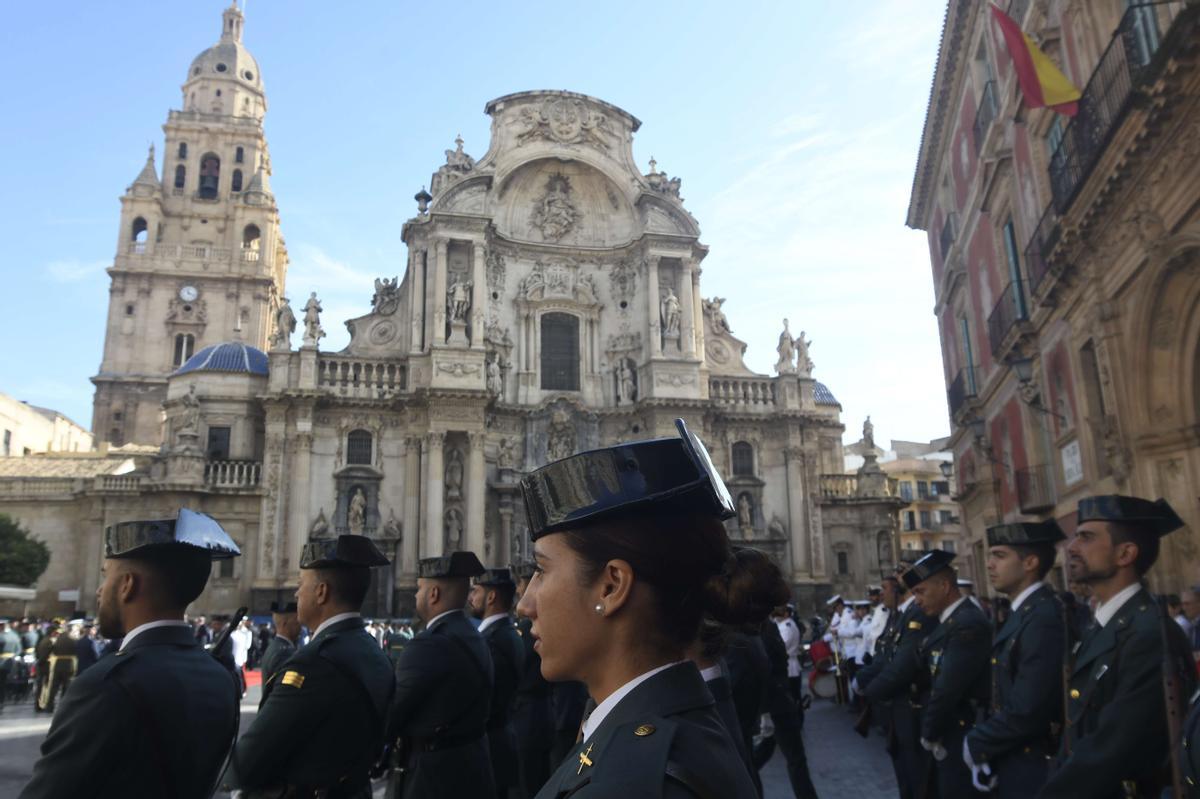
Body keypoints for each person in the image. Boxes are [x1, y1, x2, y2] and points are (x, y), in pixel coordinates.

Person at [518, 418, 761, 797]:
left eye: (541, 570)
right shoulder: (663, 735)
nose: (525, 604)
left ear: (611, 586)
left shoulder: (631, 782)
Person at [19, 509, 242, 799]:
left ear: (127, 585)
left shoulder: (106, 685)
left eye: (106, 576)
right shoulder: (220, 678)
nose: (100, 591)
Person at [1042, 495, 1195, 798]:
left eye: (1086, 538)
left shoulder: (1149, 634)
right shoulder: (1105, 625)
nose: (1071, 547)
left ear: (1125, 553)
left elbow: (1113, 748)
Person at [228, 535, 394, 797]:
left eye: (300, 584)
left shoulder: (311, 663)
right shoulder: (378, 655)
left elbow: (245, 765)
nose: (296, 593)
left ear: (321, 592)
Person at [964, 520, 1067, 797]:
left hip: (1034, 763)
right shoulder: (1024, 613)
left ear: (1030, 562)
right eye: (989, 556)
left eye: (999, 556)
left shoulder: (1042, 617)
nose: (989, 565)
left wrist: (977, 742)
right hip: (1014, 756)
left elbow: (1029, 707)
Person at [384, 551, 495, 799]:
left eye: (419, 588)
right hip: (472, 765)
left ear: (433, 594)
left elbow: (392, 713)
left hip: (434, 777)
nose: (415, 594)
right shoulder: (475, 636)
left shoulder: (428, 645)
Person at [905, 549, 991, 797]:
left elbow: (947, 688)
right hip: (949, 729)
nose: (917, 601)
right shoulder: (948, 621)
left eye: (921, 591)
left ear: (944, 586)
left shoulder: (966, 623)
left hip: (961, 730)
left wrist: (928, 732)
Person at [856, 568, 937, 799]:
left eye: (884, 588)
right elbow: (887, 653)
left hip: (911, 705)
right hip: (898, 705)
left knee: (916, 775)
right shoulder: (900, 615)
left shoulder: (917, 614)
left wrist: (868, 690)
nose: (881, 594)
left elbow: (902, 664)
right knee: (906, 773)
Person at [468, 567, 526, 799]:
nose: (471, 597)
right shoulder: (506, 634)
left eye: (476, 591)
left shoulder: (493, 641)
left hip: (490, 747)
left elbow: (486, 701)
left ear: (491, 597)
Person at [511, 561, 556, 799]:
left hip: (530, 716)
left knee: (528, 783)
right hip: (540, 713)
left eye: (522, 583)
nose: (521, 593)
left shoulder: (527, 629)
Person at [257, 600, 300, 689]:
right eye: (297, 622)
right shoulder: (284, 653)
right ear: (285, 623)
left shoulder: (275, 646)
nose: (300, 626)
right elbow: (290, 688)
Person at [0, 619, 20, 709]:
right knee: (3, 683)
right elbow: (19, 649)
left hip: (3, 662)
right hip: (9, 662)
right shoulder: (14, 635)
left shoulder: (2, 636)